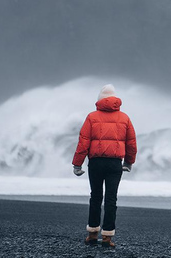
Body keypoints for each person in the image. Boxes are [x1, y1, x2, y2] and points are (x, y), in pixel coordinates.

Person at [72, 84, 137, 247]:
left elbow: (83, 142)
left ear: (100, 100)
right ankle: (107, 237)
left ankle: (93, 234)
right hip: (115, 164)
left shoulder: (92, 117)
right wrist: (129, 162)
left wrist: (77, 164)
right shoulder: (125, 118)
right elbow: (131, 143)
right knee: (111, 199)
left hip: (96, 162)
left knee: (95, 197)